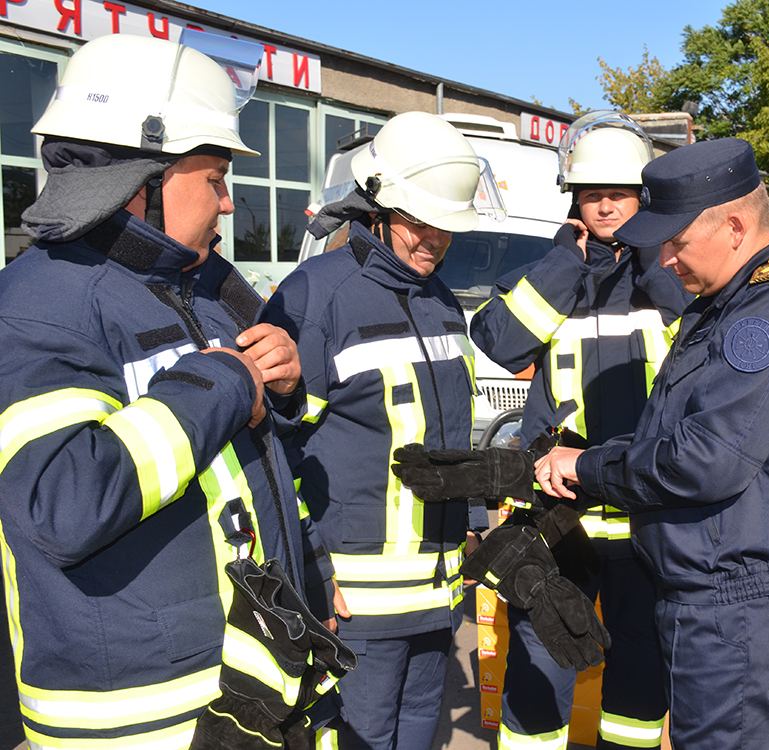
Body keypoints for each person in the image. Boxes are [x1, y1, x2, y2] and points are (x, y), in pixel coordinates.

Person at [0, 32, 342, 748]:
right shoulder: (37, 305)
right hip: (143, 709)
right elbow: (61, 504)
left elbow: (252, 464)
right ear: (141, 179)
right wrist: (224, 381)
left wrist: (279, 388)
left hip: (242, 674)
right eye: (214, 178)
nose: (225, 204)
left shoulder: (198, 287)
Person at [524, 138, 769, 750]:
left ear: (732, 226)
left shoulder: (766, 315)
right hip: (706, 591)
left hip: (736, 598)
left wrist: (587, 466)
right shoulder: (723, 305)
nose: (664, 260)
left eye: (676, 242)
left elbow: (704, 459)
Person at [261, 111, 505, 750]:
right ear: (377, 204)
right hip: (356, 595)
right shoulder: (318, 295)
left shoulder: (442, 300)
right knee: (359, 735)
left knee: (421, 726)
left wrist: (475, 518)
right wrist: (308, 566)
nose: (433, 241)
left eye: (445, 227)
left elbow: (453, 426)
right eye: (418, 222)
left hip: (438, 576)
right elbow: (275, 447)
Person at [469, 111, 690, 750]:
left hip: (641, 507)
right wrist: (567, 261)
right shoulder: (552, 271)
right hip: (556, 509)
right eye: (591, 193)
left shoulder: (670, 273)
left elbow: (695, 332)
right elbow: (501, 341)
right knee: (540, 656)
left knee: (640, 659)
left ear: (643, 196)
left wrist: (652, 254)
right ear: (572, 199)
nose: (605, 205)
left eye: (620, 192)